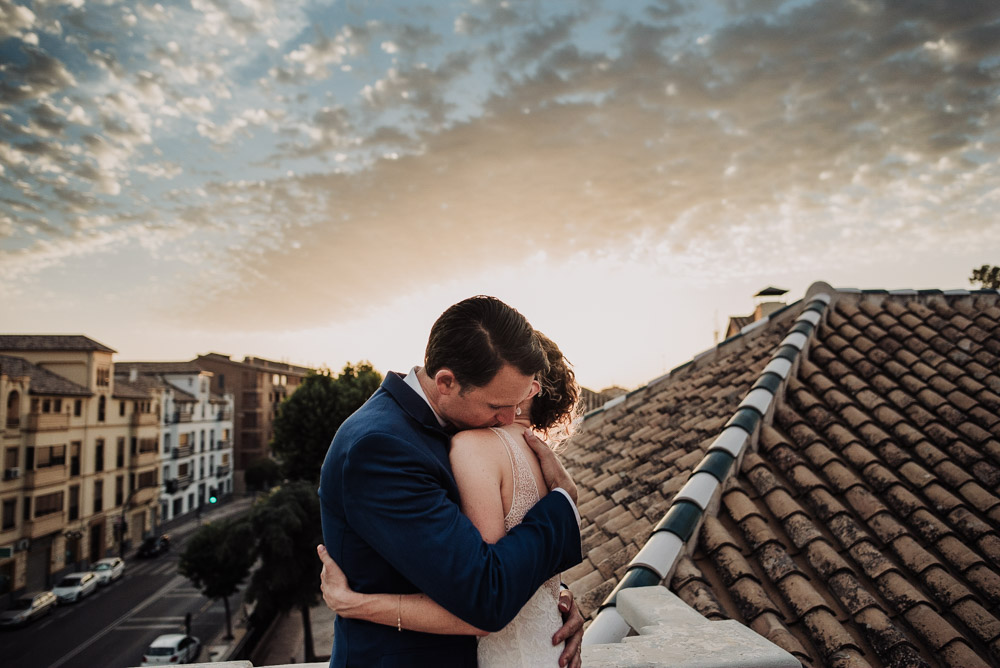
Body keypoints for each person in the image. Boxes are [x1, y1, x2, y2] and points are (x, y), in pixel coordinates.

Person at [318, 296, 584, 668]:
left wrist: (552, 596)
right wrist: (563, 504)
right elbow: (484, 595)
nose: (510, 417)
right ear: (446, 382)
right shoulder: (379, 448)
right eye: (496, 406)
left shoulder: (456, 429)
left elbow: (473, 547)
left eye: (520, 400)